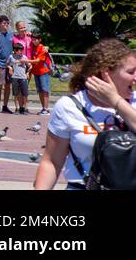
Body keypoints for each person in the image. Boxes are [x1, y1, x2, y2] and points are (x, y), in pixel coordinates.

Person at [33, 38, 136, 189]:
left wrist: (116, 101)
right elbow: (52, 162)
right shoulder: (70, 106)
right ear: (106, 73)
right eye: (131, 72)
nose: (135, 78)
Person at [0, 15, 15, 112]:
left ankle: (5, 106)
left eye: (7, 23)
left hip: (9, 64)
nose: (6, 25)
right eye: (4, 23)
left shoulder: (11, 34)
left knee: (8, 85)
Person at [31, 39, 54, 115]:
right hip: (36, 72)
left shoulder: (42, 48)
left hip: (43, 71)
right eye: (32, 39)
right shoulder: (33, 47)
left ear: (40, 40)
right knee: (40, 90)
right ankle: (43, 108)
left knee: (45, 90)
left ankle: (46, 109)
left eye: (35, 39)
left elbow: (37, 60)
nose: (34, 41)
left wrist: (25, 61)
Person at [10, 41, 31, 114]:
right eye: (19, 50)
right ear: (15, 50)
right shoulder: (11, 56)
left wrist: (27, 72)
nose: (21, 51)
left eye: (22, 50)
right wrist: (10, 68)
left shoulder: (24, 57)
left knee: (25, 93)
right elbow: (7, 64)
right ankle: (17, 108)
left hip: (23, 77)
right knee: (16, 93)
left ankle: (25, 108)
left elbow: (30, 65)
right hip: (15, 77)